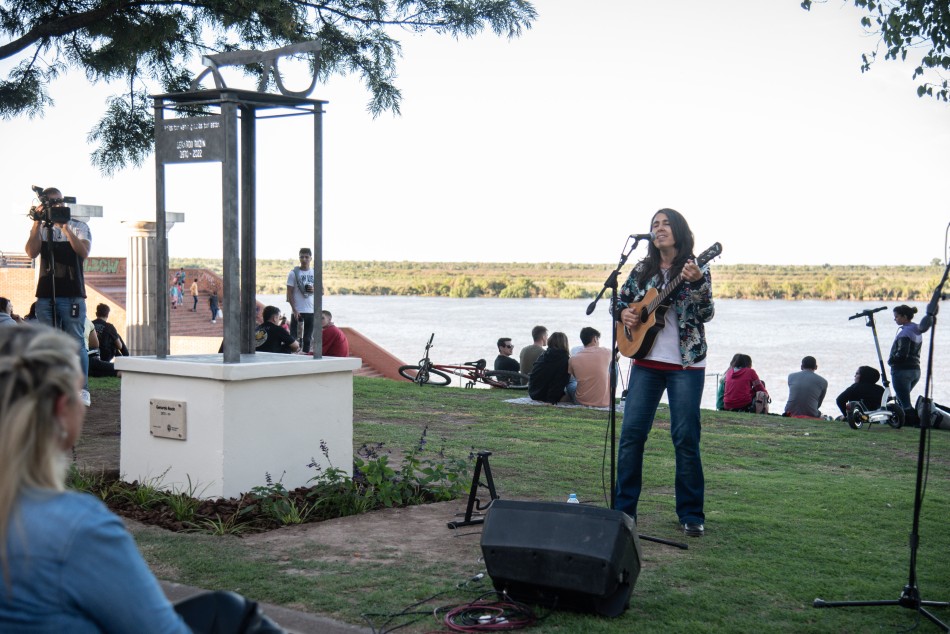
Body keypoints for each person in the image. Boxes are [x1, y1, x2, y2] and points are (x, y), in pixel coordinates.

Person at [0, 327, 284, 633]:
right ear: (61, 408)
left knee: (224, 609)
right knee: (237, 618)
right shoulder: (76, 528)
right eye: (79, 391)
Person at [615, 208, 713, 538]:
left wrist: (697, 283)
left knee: (685, 438)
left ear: (679, 231)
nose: (659, 229)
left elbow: (707, 313)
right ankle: (624, 511)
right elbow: (621, 301)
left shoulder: (694, 267)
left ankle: (691, 514)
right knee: (631, 437)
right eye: (655, 225)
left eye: (666, 224)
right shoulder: (643, 270)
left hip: (685, 365)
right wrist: (627, 314)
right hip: (644, 361)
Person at [24, 186, 92, 407]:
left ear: (64, 202)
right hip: (46, 293)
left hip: (72, 293)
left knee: (75, 341)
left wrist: (65, 228)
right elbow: (31, 252)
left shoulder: (79, 226)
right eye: (50, 202)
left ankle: (81, 389)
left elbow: (83, 252)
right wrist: (36, 223)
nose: (55, 205)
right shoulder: (43, 229)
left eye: (58, 202)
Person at [567, 327, 612, 407]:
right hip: (605, 402)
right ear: (595, 339)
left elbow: (574, 376)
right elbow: (617, 356)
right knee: (614, 365)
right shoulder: (607, 352)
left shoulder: (573, 358)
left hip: (581, 401)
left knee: (571, 382)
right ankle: (611, 394)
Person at [888, 304, 922, 411]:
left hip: (902, 371)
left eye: (897, 316)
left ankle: (913, 422)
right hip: (915, 370)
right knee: (901, 398)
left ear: (905, 317)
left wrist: (891, 361)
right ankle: (903, 420)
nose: (895, 319)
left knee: (905, 403)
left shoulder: (905, 332)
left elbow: (902, 354)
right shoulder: (917, 330)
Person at [528, 331, 572, 404]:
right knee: (572, 395)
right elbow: (559, 382)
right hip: (545, 395)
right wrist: (551, 400)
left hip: (533, 392)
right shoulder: (564, 358)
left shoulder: (544, 355)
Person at [287, 248, 316, 353]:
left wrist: (314, 289)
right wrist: (294, 309)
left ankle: (306, 358)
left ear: (310, 258)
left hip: (311, 310)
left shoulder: (315, 272)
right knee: (294, 338)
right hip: (298, 309)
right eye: (301, 257)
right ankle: (293, 357)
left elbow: (321, 291)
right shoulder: (293, 273)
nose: (304, 259)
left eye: (306, 257)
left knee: (308, 338)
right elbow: (289, 293)